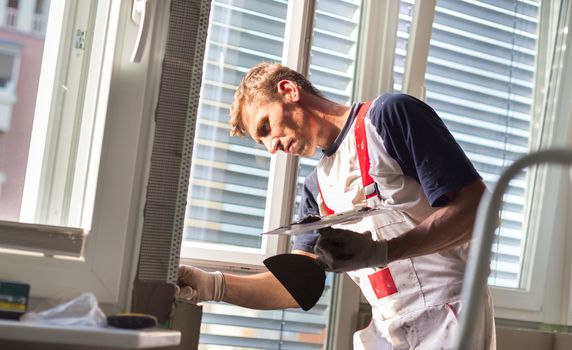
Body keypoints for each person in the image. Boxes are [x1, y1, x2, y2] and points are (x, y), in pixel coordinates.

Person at [178, 62, 496, 349]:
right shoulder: (317, 188)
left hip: (452, 317)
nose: (272, 147)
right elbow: (295, 287)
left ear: (288, 91)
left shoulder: (388, 117)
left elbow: (477, 210)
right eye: (263, 143)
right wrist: (213, 285)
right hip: (387, 331)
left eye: (265, 127)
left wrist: (384, 251)